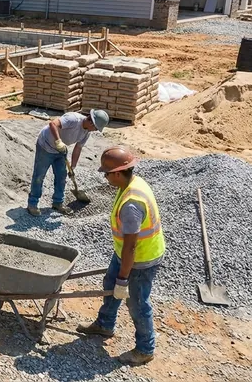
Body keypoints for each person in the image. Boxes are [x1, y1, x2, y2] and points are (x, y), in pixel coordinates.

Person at [76, 146, 166, 366]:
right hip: (125, 254)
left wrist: (124, 279)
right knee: (110, 284)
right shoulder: (131, 183)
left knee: (137, 303)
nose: (105, 178)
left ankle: (145, 349)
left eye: (106, 173)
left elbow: (131, 248)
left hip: (141, 259)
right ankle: (105, 324)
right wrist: (118, 277)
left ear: (117, 173)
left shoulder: (132, 204)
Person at [27, 109, 109, 216]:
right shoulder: (73, 119)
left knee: (61, 176)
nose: (95, 130)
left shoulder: (86, 133)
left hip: (60, 151)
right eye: (95, 128)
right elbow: (53, 124)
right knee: (39, 176)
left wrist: (73, 166)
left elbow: (78, 148)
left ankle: (58, 203)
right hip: (45, 145)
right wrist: (58, 141)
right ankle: (32, 204)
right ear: (91, 122)